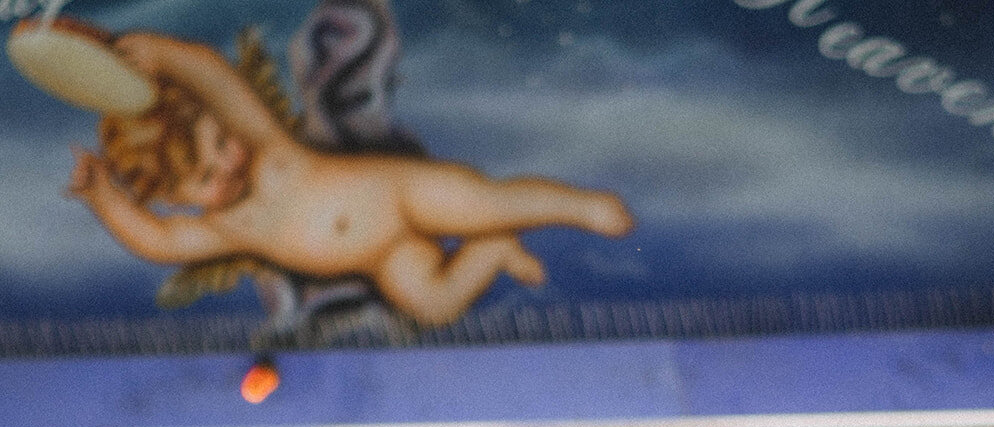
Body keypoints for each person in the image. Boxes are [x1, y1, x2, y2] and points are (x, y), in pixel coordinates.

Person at [67, 30, 633, 327]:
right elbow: (161, 242)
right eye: (206, 177)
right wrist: (103, 197)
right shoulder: (225, 230)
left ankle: (577, 207)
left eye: (222, 143)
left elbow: (215, 79)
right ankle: (492, 254)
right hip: (383, 259)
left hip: (402, 194)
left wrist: (164, 55)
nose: (229, 164)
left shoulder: (267, 148)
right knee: (431, 304)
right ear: (175, 195)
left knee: (490, 201)